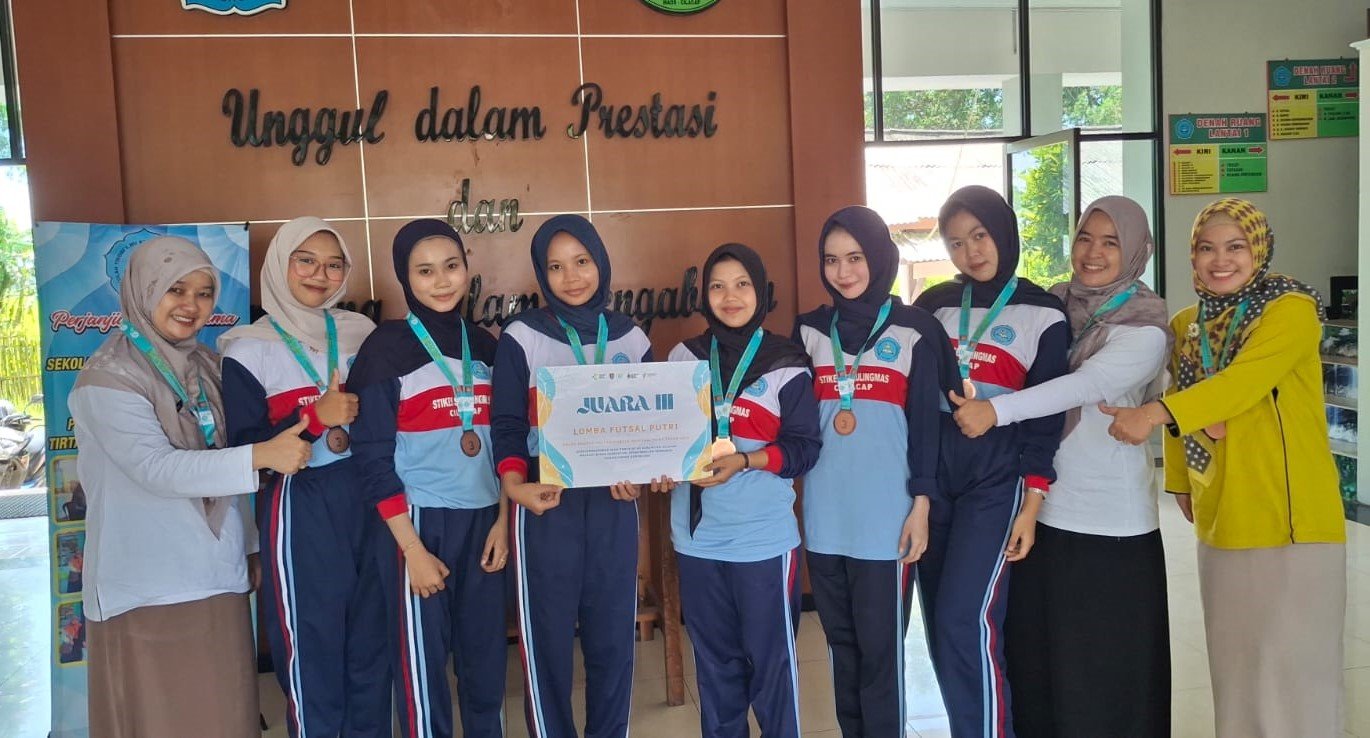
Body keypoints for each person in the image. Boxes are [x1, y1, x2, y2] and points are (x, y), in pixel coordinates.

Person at [1102, 198, 1347, 738]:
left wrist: (1152, 415)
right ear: (1192, 256)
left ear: (1258, 249)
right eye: (1207, 248)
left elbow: (1240, 385)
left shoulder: (1289, 311)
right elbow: (1183, 401)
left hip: (1290, 515)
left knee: (1295, 668)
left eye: (1235, 247)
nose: (1221, 260)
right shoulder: (1188, 324)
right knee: (1236, 664)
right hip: (1221, 508)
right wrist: (1179, 481)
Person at [69, 236, 311, 738]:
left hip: (216, 573)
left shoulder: (206, 365)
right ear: (144, 289)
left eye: (204, 293)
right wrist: (262, 456)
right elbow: (156, 469)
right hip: (146, 584)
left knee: (225, 715)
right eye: (176, 289)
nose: (191, 305)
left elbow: (220, 453)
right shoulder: (106, 379)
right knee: (160, 719)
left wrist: (249, 546)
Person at [948, 196, 1172, 737]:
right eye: (1085, 238)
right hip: (1043, 509)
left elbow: (1080, 386)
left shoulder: (1144, 328)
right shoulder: (1055, 304)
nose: (1093, 252)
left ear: (1136, 250)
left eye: (1110, 242)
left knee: (1103, 675)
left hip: (1109, 524)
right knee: (1042, 666)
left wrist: (995, 411)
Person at [219, 217, 388, 738]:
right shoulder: (247, 348)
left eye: (334, 264)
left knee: (373, 643)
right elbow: (244, 450)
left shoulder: (363, 335)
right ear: (280, 265)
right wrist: (315, 418)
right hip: (300, 505)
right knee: (311, 649)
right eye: (306, 261)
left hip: (370, 498)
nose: (320, 274)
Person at [912, 185, 1069, 738]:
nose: (971, 252)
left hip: (995, 484)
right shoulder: (933, 305)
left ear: (1003, 232)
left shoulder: (1043, 313)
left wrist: (1032, 502)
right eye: (956, 242)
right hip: (934, 482)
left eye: (979, 236)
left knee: (965, 619)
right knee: (939, 624)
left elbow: (1048, 414)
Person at [794, 206, 955, 737]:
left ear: (880, 257)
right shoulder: (810, 331)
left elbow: (927, 426)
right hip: (824, 516)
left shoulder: (914, 330)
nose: (843, 272)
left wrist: (922, 505)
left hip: (888, 520)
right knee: (841, 649)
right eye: (831, 260)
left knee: (881, 654)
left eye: (855, 257)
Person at [349, 219, 508, 738]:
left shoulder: (485, 346)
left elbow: (508, 440)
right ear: (404, 277)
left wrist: (503, 520)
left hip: (484, 522)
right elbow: (371, 457)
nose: (441, 281)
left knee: (486, 664)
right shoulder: (384, 348)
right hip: (417, 525)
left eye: (451, 266)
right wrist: (412, 551)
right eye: (424, 271)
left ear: (466, 269)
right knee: (422, 669)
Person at [491, 214, 649, 738]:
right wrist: (515, 487)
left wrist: (640, 475)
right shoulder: (522, 337)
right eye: (556, 267)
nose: (571, 277)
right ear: (542, 273)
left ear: (600, 262)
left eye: (581, 261)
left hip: (613, 503)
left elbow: (650, 425)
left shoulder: (632, 338)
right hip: (545, 503)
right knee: (547, 642)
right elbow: (507, 426)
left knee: (613, 640)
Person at [665, 242, 821, 738]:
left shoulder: (786, 363)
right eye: (717, 286)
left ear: (761, 291)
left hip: (763, 541)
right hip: (697, 539)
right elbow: (668, 436)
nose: (729, 297)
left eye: (741, 285)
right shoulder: (684, 357)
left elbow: (804, 449)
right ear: (704, 295)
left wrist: (748, 460)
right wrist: (661, 466)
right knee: (715, 668)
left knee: (772, 668)